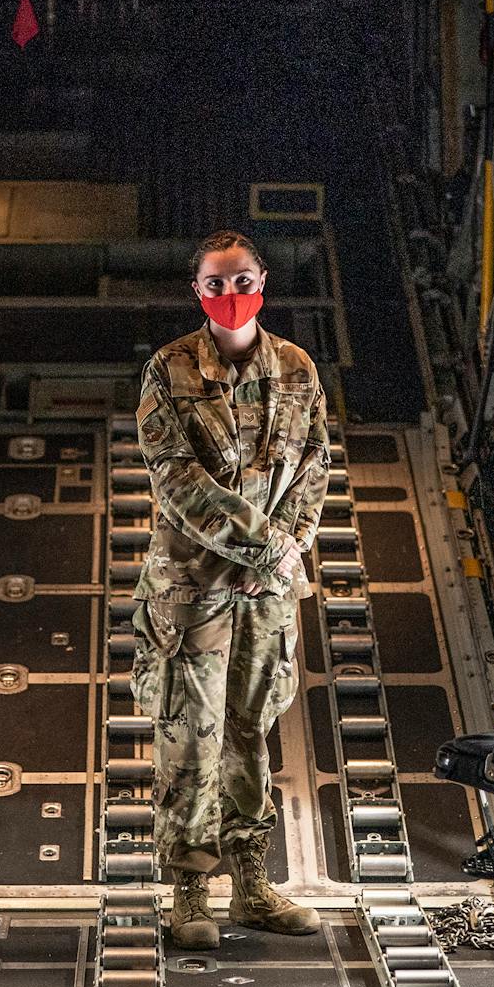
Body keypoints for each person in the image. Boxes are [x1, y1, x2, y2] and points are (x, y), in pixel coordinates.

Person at [131, 228, 330, 950]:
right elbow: (177, 480)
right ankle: (188, 893)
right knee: (191, 736)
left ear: (263, 280)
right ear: (198, 291)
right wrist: (267, 546)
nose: (231, 294)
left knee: (252, 731)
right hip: (194, 589)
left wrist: (291, 544)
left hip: (267, 590)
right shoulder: (168, 370)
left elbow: (315, 465)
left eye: (241, 279)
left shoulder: (299, 369)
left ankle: (252, 886)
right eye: (216, 283)